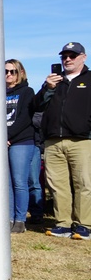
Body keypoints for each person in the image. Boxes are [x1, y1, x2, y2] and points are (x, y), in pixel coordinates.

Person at [36, 42, 91, 241]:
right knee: (57, 184)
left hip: (81, 140)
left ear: (83, 57)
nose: (67, 59)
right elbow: (36, 105)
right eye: (64, 56)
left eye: (72, 56)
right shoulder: (54, 83)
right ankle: (63, 223)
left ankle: (84, 225)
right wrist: (47, 88)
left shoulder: (89, 79)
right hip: (53, 141)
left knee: (84, 183)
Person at [5, 59, 36, 234]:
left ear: (20, 73)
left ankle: (20, 220)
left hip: (21, 142)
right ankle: (8, 218)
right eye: (6, 71)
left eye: (12, 71)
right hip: (2, 142)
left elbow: (25, 117)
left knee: (19, 182)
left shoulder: (27, 92)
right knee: (6, 182)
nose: (8, 74)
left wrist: (8, 136)